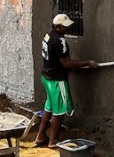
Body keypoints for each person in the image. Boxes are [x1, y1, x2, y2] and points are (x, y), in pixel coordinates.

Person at [34, 14, 99, 148]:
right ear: (58, 27)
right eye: (65, 26)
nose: (67, 28)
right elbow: (66, 63)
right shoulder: (60, 41)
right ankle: (53, 141)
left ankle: (40, 137)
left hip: (46, 77)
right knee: (59, 113)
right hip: (57, 80)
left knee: (48, 108)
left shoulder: (48, 35)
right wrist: (88, 63)